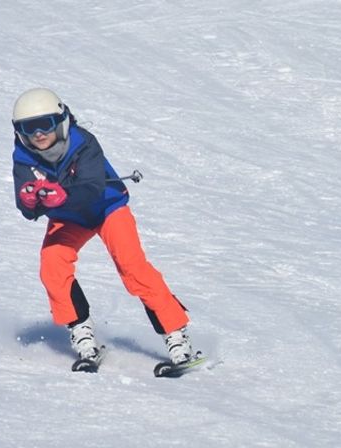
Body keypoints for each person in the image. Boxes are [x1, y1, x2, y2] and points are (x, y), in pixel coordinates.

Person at [10, 87, 200, 371]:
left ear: (60, 121)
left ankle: (177, 336)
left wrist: (61, 196)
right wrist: (29, 201)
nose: (38, 133)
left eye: (45, 124)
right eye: (29, 127)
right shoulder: (24, 157)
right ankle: (83, 335)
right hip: (69, 219)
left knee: (132, 267)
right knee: (52, 265)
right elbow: (28, 208)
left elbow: (92, 187)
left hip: (107, 209)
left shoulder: (83, 143)